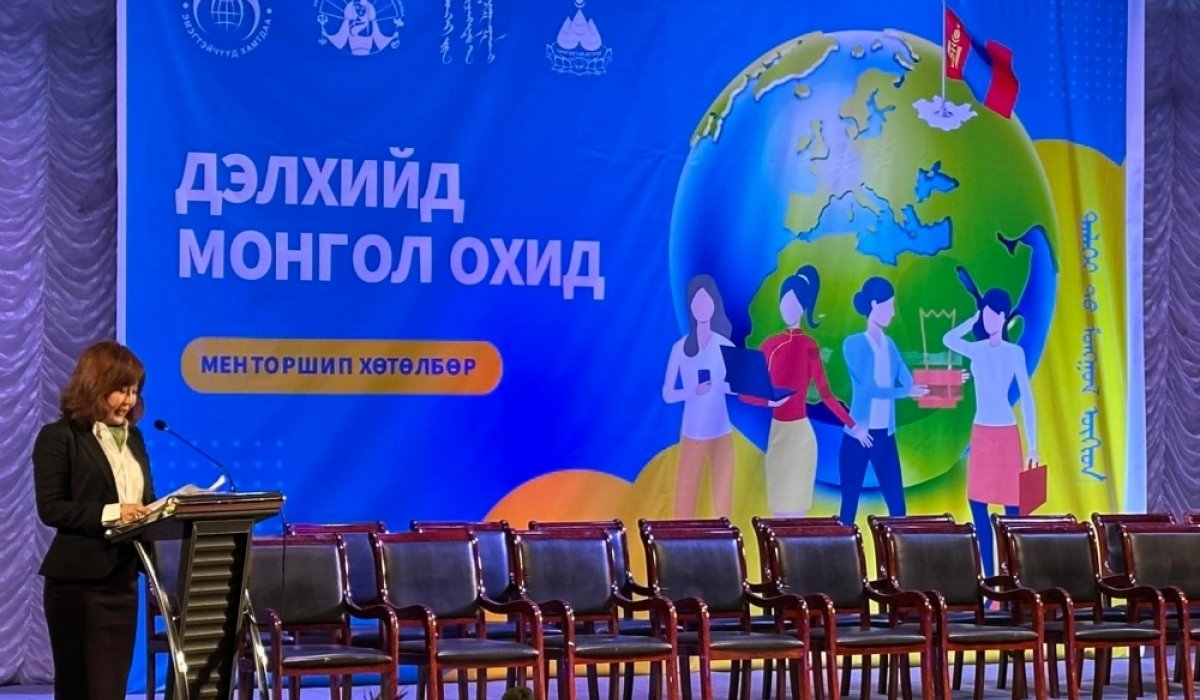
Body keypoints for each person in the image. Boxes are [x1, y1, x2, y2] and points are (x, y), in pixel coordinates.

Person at [33, 340, 156, 700]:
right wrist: (115, 512)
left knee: (111, 689)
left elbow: (145, 500)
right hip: (78, 585)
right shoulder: (59, 437)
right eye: (121, 390)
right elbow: (51, 508)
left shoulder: (135, 438)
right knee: (82, 689)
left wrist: (163, 513)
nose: (129, 400)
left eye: (134, 391)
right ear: (95, 386)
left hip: (123, 580)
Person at [745, 265, 865, 516]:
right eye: (785, 301)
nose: (788, 307)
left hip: (801, 439)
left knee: (797, 513)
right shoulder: (770, 345)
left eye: (795, 303)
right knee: (777, 512)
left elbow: (826, 395)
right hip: (778, 436)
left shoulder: (809, 346)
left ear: (803, 308)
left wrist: (853, 426)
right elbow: (748, 393)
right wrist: (769, 402)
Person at [942, 289, 1037, 576]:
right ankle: (990, 579)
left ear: (1003, 316)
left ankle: (1013, 578)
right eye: (984, 314)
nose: (988, 319)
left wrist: (1033, 446)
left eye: (992, 314)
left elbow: (1027, 397)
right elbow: (948, 339)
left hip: (1006, 434)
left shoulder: (1014, 352)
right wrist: (971, 321)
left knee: (1012, 510)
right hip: (981, 433)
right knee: (978, 505)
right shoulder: (978, 349)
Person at [838, 278, 928, 525]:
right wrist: (905, 393)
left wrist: (944, 382)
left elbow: (907, 380)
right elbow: (870, 389)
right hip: (858, 436)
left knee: (898, 508)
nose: (892, 312)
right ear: (874, 305)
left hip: (884, 437)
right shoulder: (853, 344)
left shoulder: (890, 345)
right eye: (888, 306)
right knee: (849, 507)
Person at [662, 275, 736, 518]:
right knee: (684, 503)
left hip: (721, 432)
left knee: (723, 503)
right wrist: (693, 392)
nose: (702, 307)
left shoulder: (724, 346)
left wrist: (721, 385)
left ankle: (725, 541)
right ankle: (681, 541)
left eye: (706, 301)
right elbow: (668, 393)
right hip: (692, 432)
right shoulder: (680, 348)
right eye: (696, 302)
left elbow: (735, 388)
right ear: (690, 307)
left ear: (714, 304)